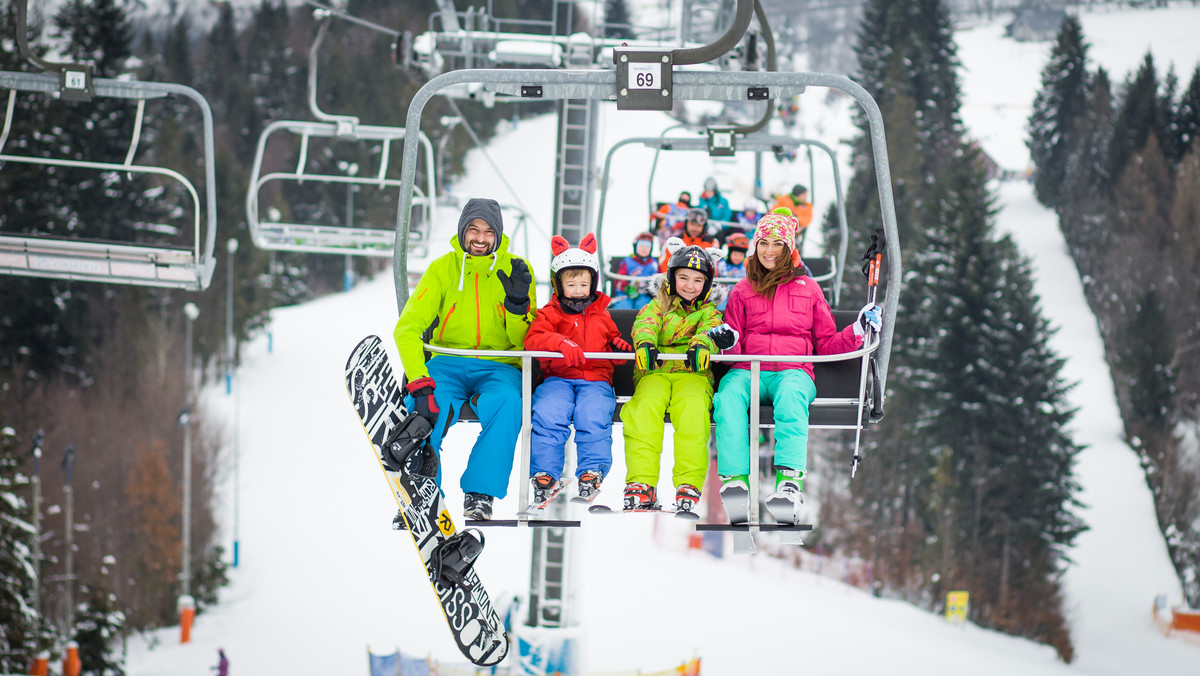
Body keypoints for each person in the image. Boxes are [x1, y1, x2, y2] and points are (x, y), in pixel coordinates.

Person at [713, 208, 880, 523]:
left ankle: (789, 483)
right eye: (764, 243)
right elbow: (733, 344)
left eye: (778, 244)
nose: (769, 251)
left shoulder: (809, 290)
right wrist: (726, 341)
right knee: (728, 396)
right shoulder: (743, 289)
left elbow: (827, 343)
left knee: (791, 399)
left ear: (789, 248)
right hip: (749, 368)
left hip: (792, 371)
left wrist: (858, 329)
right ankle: (736, 481)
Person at [392, 197, 537, 521]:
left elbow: (526, 340)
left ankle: (480, 494)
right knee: (428, 407)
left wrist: (517, 306)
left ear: (497, 235)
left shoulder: (515, 270)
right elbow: (407, 328)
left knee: (509, 403)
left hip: (499, 365)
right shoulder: (442, 269)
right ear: (463, 231)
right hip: (447, 362)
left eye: (488, 231)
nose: (481, 238)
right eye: (473, 229)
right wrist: (418, 379)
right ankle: (423, 490)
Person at [522, 233, 632, 503]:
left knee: (592, 414)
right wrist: (559, 342)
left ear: (594, 283)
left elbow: (611, 350)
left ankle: (591, 470)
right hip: (557, 378)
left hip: (595, 381)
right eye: (572, 284)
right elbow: (533, 339)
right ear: (558, 286)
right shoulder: (549, 314)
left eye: (585, 284)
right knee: (548, 411)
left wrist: (619, 351)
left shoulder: (602, 316)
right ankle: (545, 473)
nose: (579, 290)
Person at [621, 237, 727, 514]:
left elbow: (712, 329)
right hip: (655, 371)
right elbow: (646, 323)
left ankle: (688, 483)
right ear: (671, 278)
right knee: (643, 409)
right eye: (683, 278)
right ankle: (641, 482)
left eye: (697, 280)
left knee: (693, 412)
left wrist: (703, 344)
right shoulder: (659, 306)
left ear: (706, 284)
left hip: (692, 374)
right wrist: (645, 342)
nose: (689, 286)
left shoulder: (708, 312)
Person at [609, 232, 658, 310]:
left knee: (646, 308)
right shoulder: (627, 262)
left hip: (644, 294)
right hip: (626, 294)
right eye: (641, 245)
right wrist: (627, 288)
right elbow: (619, 279)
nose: (644, 248)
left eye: (647, 246)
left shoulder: (653, 264)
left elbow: (659, 279)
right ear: (636, 246)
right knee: (623, 307)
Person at [715, 232, 749, 311]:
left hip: (739, 296)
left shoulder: (745, 266)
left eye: (740, 255)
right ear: (730, 253)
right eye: (735, 255)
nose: (738, 258)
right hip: (724, 295)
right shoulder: (722, 264)